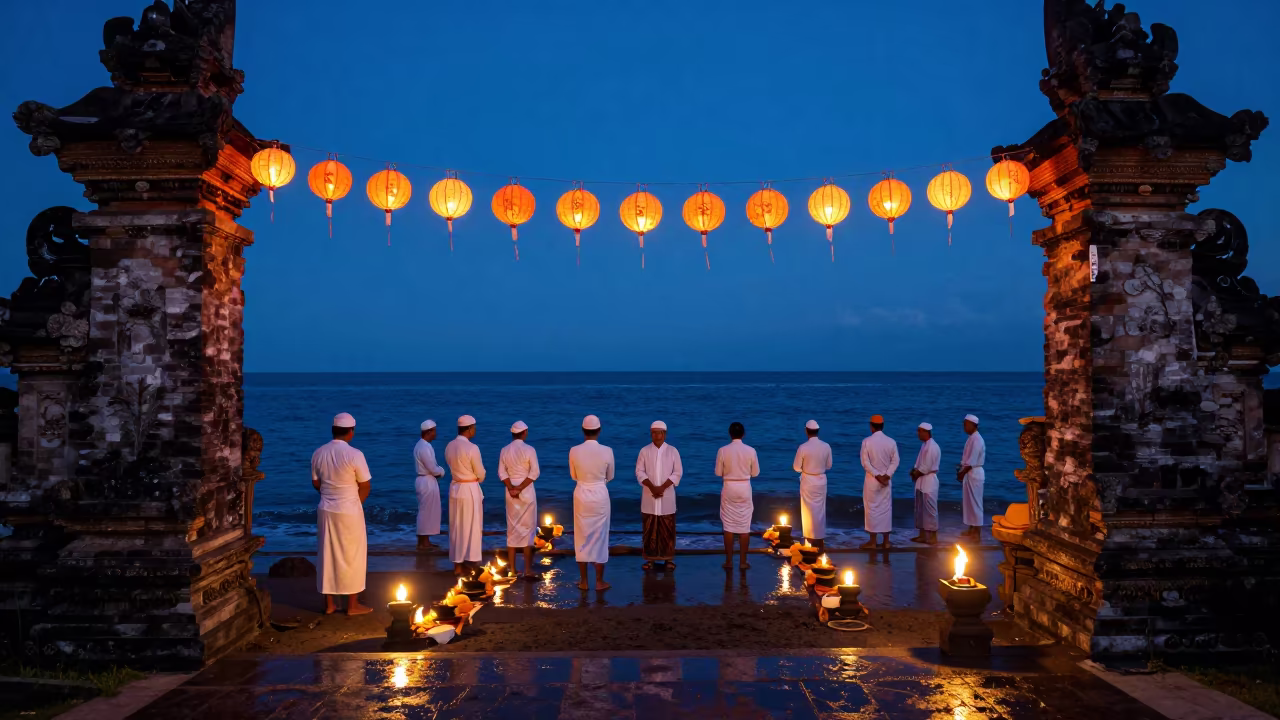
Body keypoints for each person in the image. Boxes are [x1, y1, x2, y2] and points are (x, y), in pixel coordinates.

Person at [312, 412, 373, 615]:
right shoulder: (355, 454)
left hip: (326, 510)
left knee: (327, 555)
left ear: (333, 430)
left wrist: (331, 495)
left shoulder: (318, 452)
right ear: (351, 432)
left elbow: (315, 482)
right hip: (349, 510)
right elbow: (365, 485)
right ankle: (352, 605)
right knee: (352, 556)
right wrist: (354, 502)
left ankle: (330, 604)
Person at [569, 414, 614, 590]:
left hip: (581, 494)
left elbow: (573, 476)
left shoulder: (574, 450)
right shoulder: (607, 451)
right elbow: (610, 476)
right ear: (599, 430)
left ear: (583, 431)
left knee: (581, 536)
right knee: (601, 537)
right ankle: (599, 581)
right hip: (600, 495)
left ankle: (584, 581)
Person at [636, 420, 683, 572]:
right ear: (651, 434)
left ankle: (668, 559)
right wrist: (652, 487)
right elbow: (639, 472)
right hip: (649, 497)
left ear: (665, 434)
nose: (657, 435)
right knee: (649, 529)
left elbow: (678, 473)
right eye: (654, 432)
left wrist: (662, 487)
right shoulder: (644, 451)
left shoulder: (672, 451)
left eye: (659, 432)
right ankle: (650, 560)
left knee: (667, 528)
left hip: (667, 496)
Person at [445, 414, 486, 576]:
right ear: (469, 429)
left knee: (457, 526)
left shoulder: (449, 446)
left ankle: (457, 566)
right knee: (473, 526)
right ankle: (473, 561)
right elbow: (480, 473)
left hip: (455, 488)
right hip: (469, 489)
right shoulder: (472, 448)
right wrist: (478, 477)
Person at [715, 421, 759, 570]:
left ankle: (728, 562)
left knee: (728, 526)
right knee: (744, 526)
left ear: (730, 434)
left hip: (729, 487)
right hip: (745, 487)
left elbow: (717, 473)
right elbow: (755, 473)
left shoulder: (722, 450)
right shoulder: (751, 451)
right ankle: (742, 562)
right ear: (743, 434)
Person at [499, 420, 540, 578]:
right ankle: (528, 570)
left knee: (512, 528)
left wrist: (511, 488)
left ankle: (513, 570)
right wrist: (520, 488)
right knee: (528, 530)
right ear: (524, 433)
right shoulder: (529, 449)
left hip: (510, 493)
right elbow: (534, 473)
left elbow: (502, 473)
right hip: (526, 492)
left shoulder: (504, 450)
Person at [859, 414, 900, 549]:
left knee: (871, 509)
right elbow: (896, 461)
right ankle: (886, 542)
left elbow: (865, 463)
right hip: (886, 482)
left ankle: (872, 542)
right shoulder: (891, 442)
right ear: (883, 426)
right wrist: (887, 475)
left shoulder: (866, 441)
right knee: (886, 509)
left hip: (872, 480)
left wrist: (877, 475)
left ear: (871, 427)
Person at [793, 419, 833, 553]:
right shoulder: (826, 446)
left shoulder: (803, 447)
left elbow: (796, 467)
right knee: (820, 512)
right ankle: (820, 543)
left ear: (806, 431)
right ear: (818, 431)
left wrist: (806, 467)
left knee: (807, 512)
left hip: (808, 481)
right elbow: (829, 466)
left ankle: (809, 542)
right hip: (821, 481)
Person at [413, 419, 445, 551]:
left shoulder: (420, 445)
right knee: (426, 512)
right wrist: (442, 471)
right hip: (427, 480)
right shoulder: (424, 447)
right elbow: (433, 468)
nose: (436, 433)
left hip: (424, 480)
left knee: (426, 511)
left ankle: (424, 541)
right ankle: (424, 542)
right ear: (429, 431)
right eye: (434, 431)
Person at [909, 422, 941, 545]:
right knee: (920, 509)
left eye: (919, 431)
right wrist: (914, 471)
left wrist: (916, 473)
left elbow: (926, 467)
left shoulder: (932, 447)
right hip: (921, 481)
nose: (918, 433)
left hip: (929, 480)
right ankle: (922, 535)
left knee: (930, 509)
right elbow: (919, 464)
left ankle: (933, 537)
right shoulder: (925, 445)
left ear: (925, 432)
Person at [959, 414, 986, 538]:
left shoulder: (977, 439)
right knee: (969, 503)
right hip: (969, 472)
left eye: (965, 424)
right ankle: (971, 529)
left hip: (974, 472)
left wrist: (962, 472)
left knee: (975, 503)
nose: (964, 427)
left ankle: (977, 533)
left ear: (971, 425)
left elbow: (972, 461)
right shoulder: (971, 438)